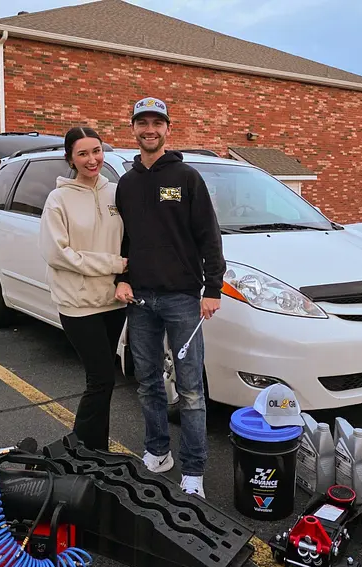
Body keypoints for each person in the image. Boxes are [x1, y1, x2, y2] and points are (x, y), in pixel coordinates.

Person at [114, 97, 226, 498]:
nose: (149, 129)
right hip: (140, 300)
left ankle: (193, 471)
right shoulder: (126, 184)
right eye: (142, 122)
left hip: (182, 299)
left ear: (167, 129)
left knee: (191, 390)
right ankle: (158, 452)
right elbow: (122, 239)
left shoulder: (186, 177)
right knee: (147, 383)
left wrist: (213, 288)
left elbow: (209, 235)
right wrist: (120, 278)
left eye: (156, 123)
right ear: (133, 129)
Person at [40, 126, 127, 451]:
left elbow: (133, 236)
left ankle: (96, 451)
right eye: (83, 154)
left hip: (114, 303)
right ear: (70, 159)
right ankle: (78, 449)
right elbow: (57, 254)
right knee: (101, 378)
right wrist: (113, 264)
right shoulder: (58, 199)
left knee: (103, 382)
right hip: (78, 305)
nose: (92, 159)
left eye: (97, 151)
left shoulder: (116, 192)